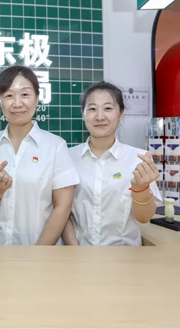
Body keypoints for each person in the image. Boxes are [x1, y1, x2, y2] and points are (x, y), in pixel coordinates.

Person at [0, 65, 80, 245]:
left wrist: (39, 252)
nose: (17, 103)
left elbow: (63, 207)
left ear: (37, 98)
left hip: (40, 248)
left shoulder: (56, 146)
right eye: (9, 95)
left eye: (25, 94)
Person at [62, 81, 161, 246]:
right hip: (79, 254)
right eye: (92, 109)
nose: (100, 116)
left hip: (125, 255)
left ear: (121, 113)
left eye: (108, 108)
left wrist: (140, 189)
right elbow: (62, 212)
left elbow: (144, 218)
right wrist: (75, 250)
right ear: (83, 114)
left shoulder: (138, 159)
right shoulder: (67, 157)